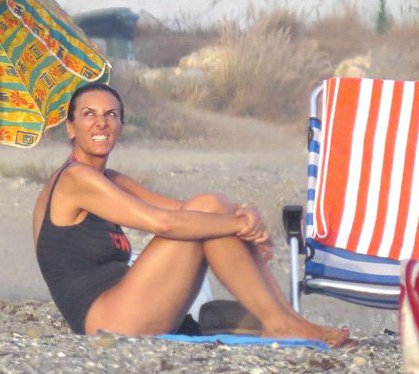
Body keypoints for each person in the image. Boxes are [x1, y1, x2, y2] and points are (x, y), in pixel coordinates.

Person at [33, 83, 350, 346]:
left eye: (111, 115)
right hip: (107, 322)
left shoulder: (110, 179)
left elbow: (185, 208)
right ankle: (279, 322)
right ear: (70, 128)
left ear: (120, 127)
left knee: (212, 206)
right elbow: (164, 223)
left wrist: (244, 214)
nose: (101, 122)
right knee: (210, 213)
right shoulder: (76, 179)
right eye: (89, 114)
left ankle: (285, 319)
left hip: (129, 303)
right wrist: (238, 224)